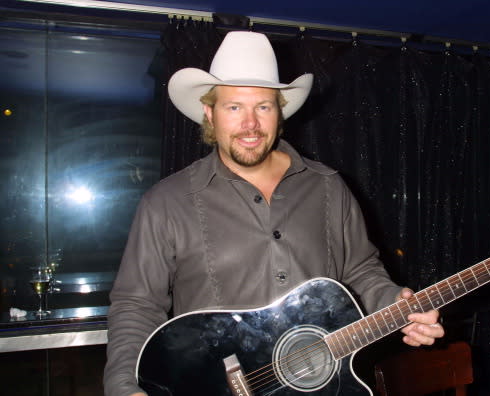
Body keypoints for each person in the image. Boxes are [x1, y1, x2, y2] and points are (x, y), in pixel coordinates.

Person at [104, 31, 444, 396]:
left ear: (279, 112)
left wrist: (397, 303)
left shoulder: (329, 187)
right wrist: (124, 386)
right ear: (209, 113)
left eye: (263, 107)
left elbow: (360, 270)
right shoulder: (166, 203)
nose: (250, 124)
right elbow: (136, 305)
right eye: (234, 107)